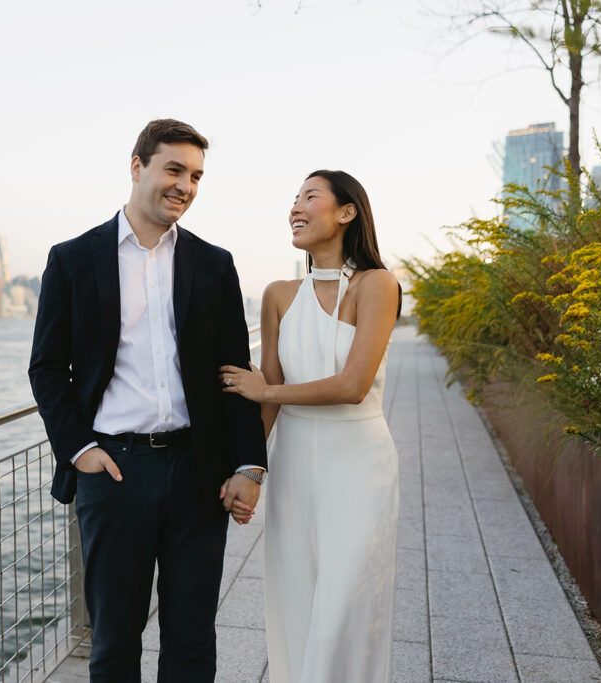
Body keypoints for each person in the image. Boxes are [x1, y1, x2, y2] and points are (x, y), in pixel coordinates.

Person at [28, 119, 267, 683]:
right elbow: (46, 368)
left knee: (191, 637)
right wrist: (79, 449)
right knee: (114, 637)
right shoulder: (73, 259)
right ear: (137, 167)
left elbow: (235, 374)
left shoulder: (214, 264)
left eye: (197, 176)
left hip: (197, 471)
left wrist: (249, 464)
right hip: (114, 471)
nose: (185, 185)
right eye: (174, 170)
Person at [220, 170, 401, 682]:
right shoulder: (279, 294)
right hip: (295, 464)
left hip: (360, 465)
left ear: (347, 213)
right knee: (296, 602)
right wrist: (249, 473)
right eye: (294, 199)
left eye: (309, 197)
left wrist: (265, 390)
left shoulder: (378, 285)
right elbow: (270, 395)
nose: (295, 207)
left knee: (346, 608)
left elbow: (352, 385)